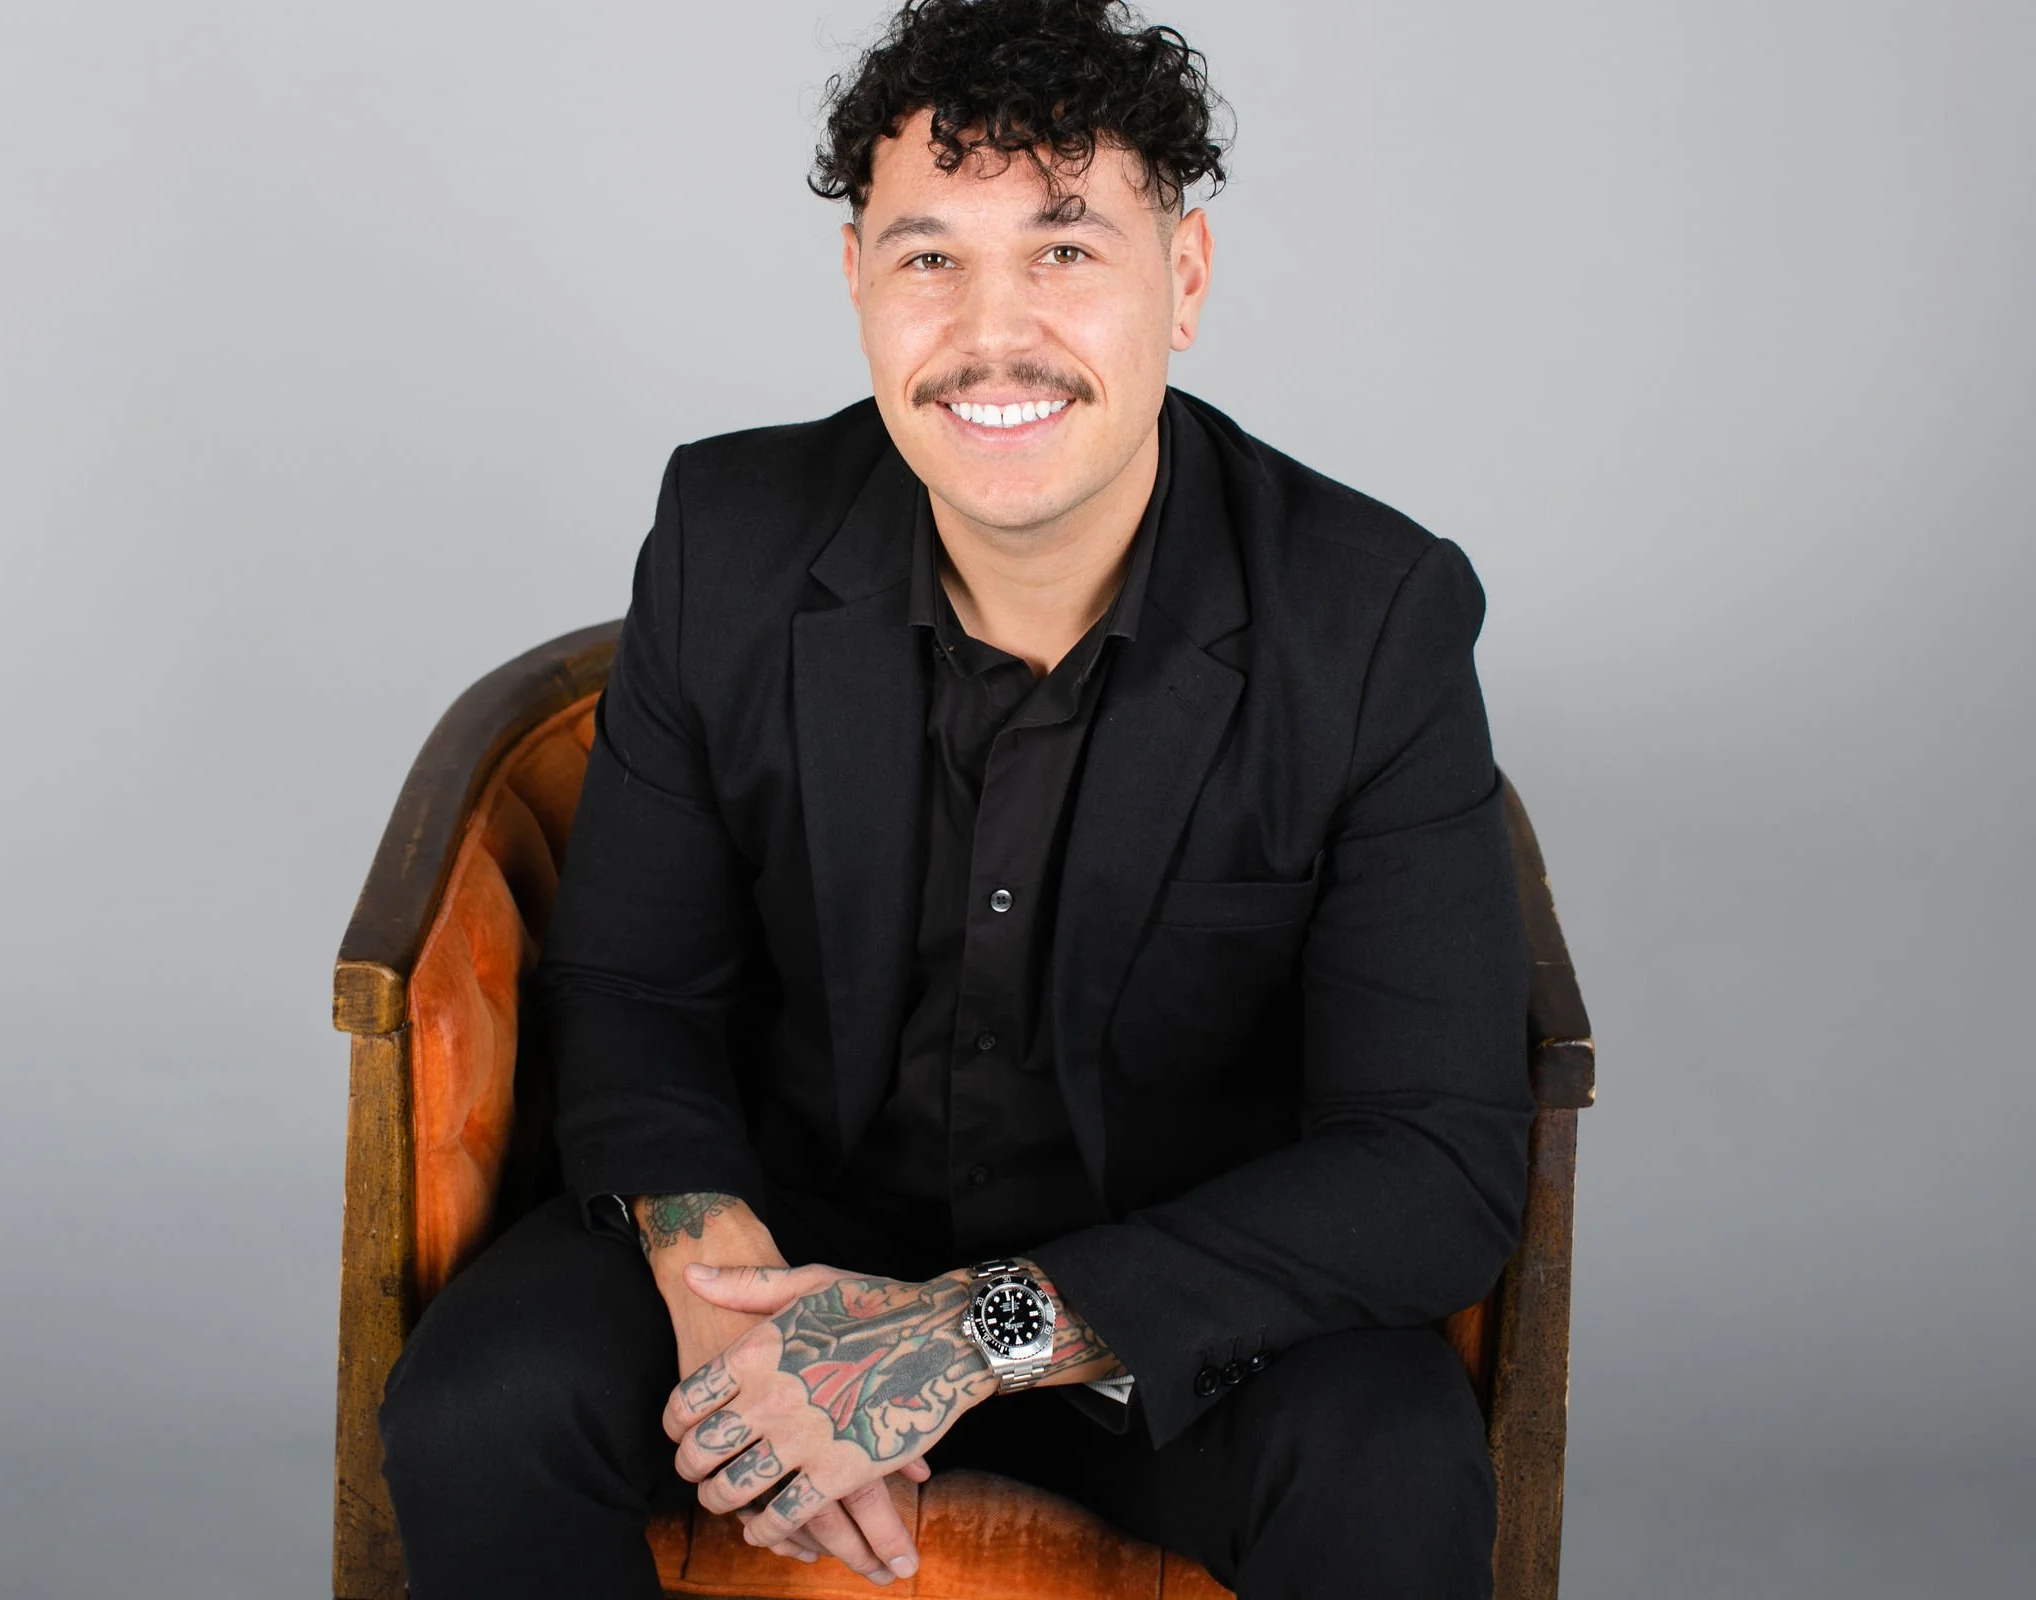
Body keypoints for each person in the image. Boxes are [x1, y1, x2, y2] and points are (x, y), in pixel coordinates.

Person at [378, 2, 1531, 1595]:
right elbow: (635, 988)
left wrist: (967, 1338)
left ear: (1183, 281)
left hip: (1164, 1308)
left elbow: (1434, 1159)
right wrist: (720, 1287)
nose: (995, 333)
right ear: (856, 281)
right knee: (481, 1405)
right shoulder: (725, 537)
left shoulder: (1373, 616)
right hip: (792, 1251)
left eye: (1067, 251)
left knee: (1391, 1464)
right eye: (930, 258)